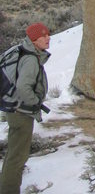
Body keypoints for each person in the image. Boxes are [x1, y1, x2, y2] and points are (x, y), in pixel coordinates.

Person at [0, 22, 51, 194]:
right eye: (42, 36)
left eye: (48, 34)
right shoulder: (30, 59)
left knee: (13, 154)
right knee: (17, 157)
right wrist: (35, 102)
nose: (47, 38)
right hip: (21, 112)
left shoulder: (22, 50)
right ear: (34, 39)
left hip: (14, 109)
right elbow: (23, 87)